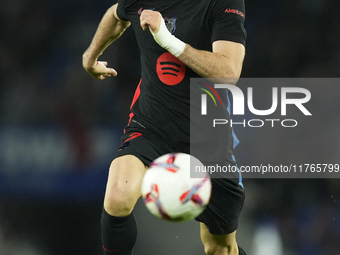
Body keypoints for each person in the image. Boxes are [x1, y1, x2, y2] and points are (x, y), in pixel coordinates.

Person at [83, 0, 246, 254]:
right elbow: (116, 16)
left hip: (208, 138)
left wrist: (167, 40)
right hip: (151, 126)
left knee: (220, 248)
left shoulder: (222, 3)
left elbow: (228, 72)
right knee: (117, 195)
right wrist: (90, 57)